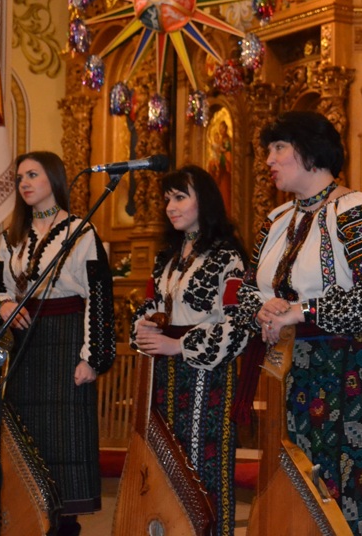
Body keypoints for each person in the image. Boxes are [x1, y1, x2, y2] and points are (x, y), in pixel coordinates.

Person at [235, 111, 362, 533]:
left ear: (311, 151)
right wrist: (261, 307)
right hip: (290, 372)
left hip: (351, 375)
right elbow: (243, 291)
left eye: (279, 148)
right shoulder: (277, 220)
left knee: (351, 487)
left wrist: (302, 311)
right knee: (297, 484)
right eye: (268, 150)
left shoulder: (359, 211)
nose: (269, 160)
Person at [0, 151, 116, 536]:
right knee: (28, 441)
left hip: (67, 343)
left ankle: (64, 527)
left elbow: (99, 296)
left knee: (63, 440)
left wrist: (92, 358)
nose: (24, 183)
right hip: (26, 349)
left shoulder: (82, 232)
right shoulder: (12, 237)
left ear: (54, 179)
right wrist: (4, 305)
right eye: (20, 177)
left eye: (32, 175)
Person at [131, 165, 248, 536]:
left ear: (205, 201)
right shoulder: (166, 257)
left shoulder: (227, 257)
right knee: (165, 465)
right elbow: (149, 306)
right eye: (167, 199)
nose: (171, 207)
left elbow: (236, 326)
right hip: (164, 375)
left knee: (201, 467)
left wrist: (178, 345)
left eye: (180, 197)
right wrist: (143, 327)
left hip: (206, 379)